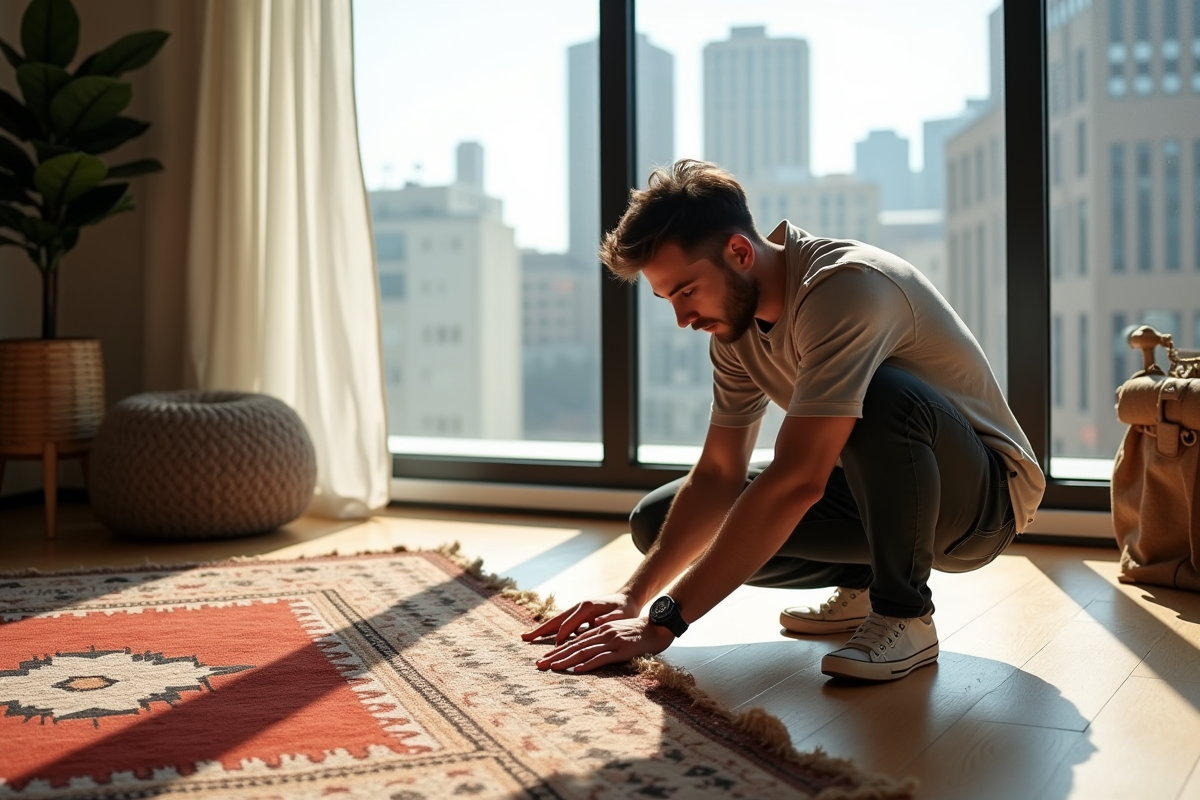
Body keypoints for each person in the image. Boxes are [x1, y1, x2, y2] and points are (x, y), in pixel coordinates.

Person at [522, 159, 1045, 682]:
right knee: (655, 521)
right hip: (870, 494)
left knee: (880, 396)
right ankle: (867, 581)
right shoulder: (734, 327)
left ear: (739, 252)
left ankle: (904, 614)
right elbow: (718, 474)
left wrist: (664, 623)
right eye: (667, 300)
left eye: (687, 291)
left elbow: (799, 479)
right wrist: (632, 596)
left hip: (980, 507)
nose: (682, 319)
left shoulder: (845, 287)